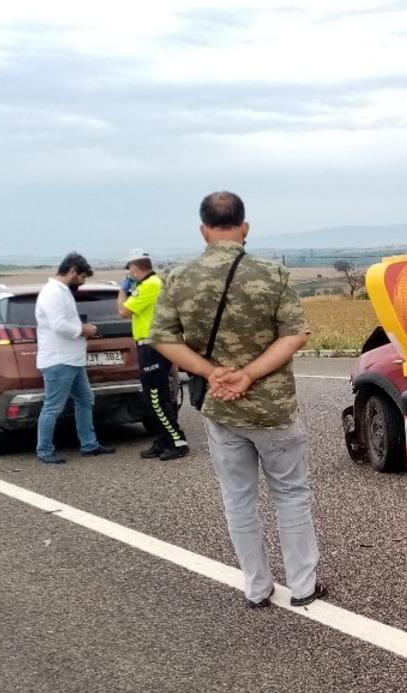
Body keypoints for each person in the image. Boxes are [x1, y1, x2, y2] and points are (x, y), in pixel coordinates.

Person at [150, 191, 325, 609]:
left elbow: (162, 339)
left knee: (238, 498)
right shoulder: (273, 274)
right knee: (291, 495)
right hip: (274, 408)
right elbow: (295, 334)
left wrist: (214, 374)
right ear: (245, 228)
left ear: (203, 229)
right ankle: (302, 585)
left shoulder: (178, 278)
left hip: (222, 408)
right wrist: (249, 374)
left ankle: (256, 586)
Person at [34, 253, 116, 464]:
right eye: (82, 277)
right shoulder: (53, 293)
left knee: (85, 399)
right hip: (58, 359)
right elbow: (59, 325)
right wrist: (84, 330)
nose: (82, 282)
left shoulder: (61, 292)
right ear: (72, 271)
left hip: (72, 359)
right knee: (53, 406)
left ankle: (89, 444)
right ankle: (44, 450)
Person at [118, 249, 189, 461]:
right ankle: (163, 440)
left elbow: (123, 311)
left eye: (129, 270)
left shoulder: (150, 285)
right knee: (151, 398)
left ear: (134, 267)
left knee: (157, 398)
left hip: (153, 347)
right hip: (149, 346)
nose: (128, 275)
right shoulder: (150, 284)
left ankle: (177, 440)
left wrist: (123, 291)